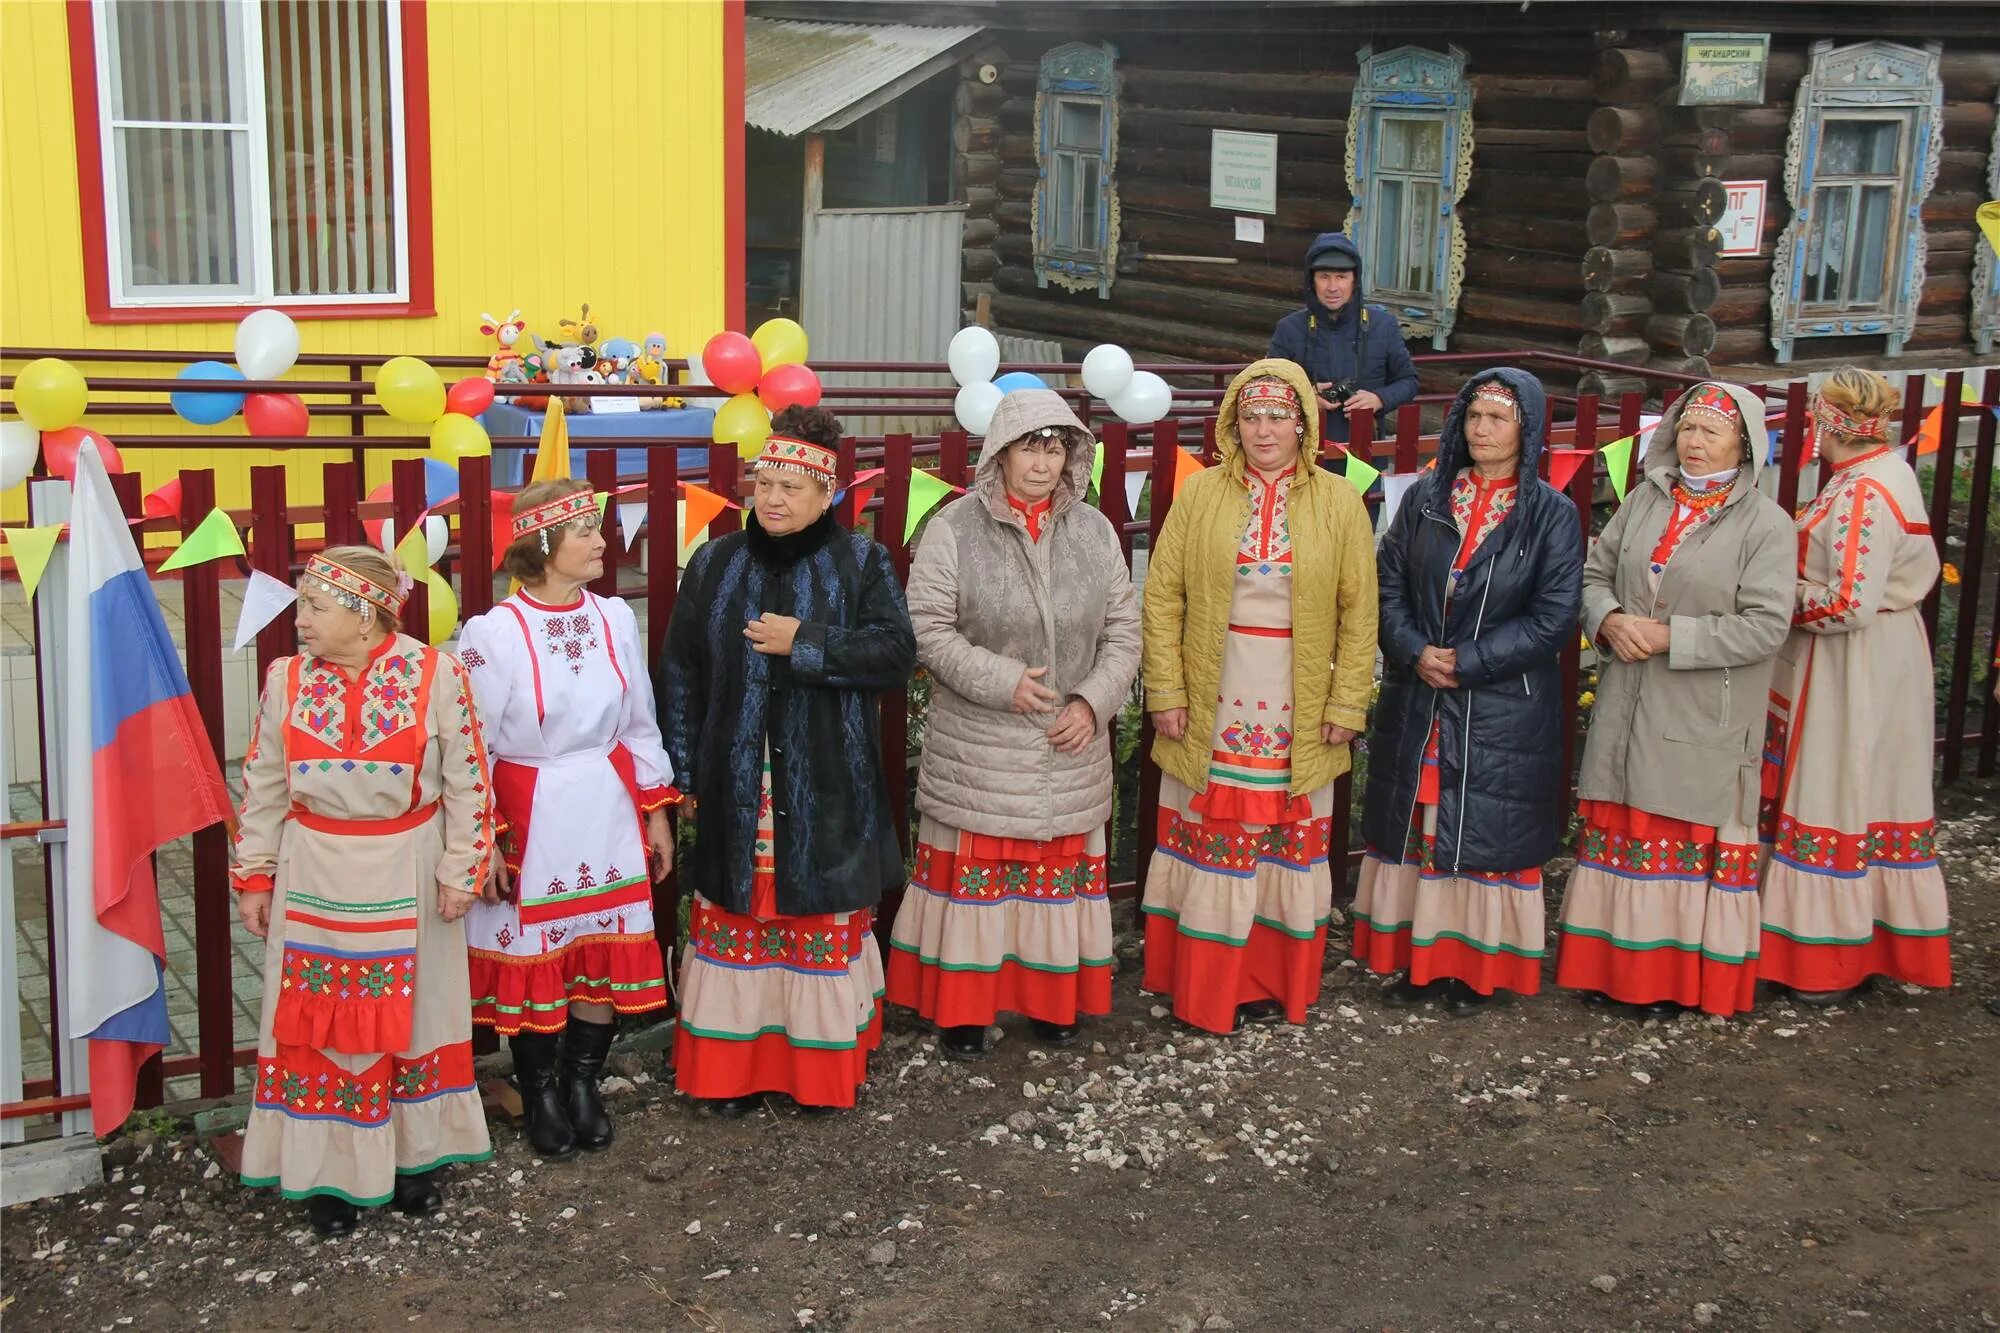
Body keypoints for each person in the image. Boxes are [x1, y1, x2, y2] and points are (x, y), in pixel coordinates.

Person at [658, 405, 917, 1113]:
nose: (772, 498)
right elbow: (679, 672)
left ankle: (817, 1075)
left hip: (830, 782)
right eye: (763, 482)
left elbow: (898, 654)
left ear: (827, 492)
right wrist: (682, 772)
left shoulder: (861, 562)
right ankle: (728, 1076)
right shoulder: (712, 563)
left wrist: (806, 642)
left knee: (815, 916)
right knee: (739, 915)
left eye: (790, 487)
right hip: (731, 780)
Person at [231, 547, 496, 1237]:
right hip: (313, 872)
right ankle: (329, 1173)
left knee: (417, 1016)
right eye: (303, 604)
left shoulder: (438, 673)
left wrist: (461, 868)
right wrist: (256, 873)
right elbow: (263, 785)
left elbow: (470, 782)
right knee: (318, 1021)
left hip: (410, 870)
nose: (302, 620)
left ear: (366, 613)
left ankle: (414, 1161)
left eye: (317, 606)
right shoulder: (286, 679)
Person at [886, 389, 1141, 1059]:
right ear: (999, 453)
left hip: (1070, 738)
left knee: (1053, 879)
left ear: (1071, 457)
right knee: (981, 879)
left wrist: (1091, 702)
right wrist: (1001, 681)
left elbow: (1123, 629)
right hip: (981, 745)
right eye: (1030, 445)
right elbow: (926, 629)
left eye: (1055, 446)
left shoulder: (1094, 531)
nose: (1042, 460)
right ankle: (967, 1010)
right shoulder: (953, 529)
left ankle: (1053, 1003)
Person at [1139, 358, 1378, 1034]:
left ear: (1304, 424)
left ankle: (1271, 980)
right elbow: (1162, 597)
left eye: (1278, 415)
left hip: (1298, 701)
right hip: (1213, 693)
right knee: (1217, 839)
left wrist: (1345, 704)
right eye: (1251, 415)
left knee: (1282, 840)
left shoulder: (1338, 501)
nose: (1264, 428)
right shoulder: (1201, 494)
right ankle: (1206, 986)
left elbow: (1361, 613)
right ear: (1231, 424)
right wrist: (1165, 689)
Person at [1556, 383, 1794, 1017]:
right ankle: (1612, 971)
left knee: (1678, 828)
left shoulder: (1766, 524)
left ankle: (1670, 983)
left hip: (1700, 705)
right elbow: (1594, 574)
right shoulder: (1644, 500)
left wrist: (1671, 637)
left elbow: (1767, 626)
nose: (1694, 441)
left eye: (1710, 432)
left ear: (1743, 444)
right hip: (1629, 692)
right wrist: (1606, 620)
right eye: (1687, 428)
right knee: (1625, 819)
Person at [458, 478, 676, 1159]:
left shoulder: (614, 617)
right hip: (534, 813)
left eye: (598, 525)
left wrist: (656, 811)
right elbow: (471, 742)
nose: (602, 540)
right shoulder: (490, 633)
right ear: (543, 543)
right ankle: (541, 1090)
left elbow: (639, 719)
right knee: (539, 958)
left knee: (600, 955)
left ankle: (584, 1081)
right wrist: (485, 837)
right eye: (584, 529)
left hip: (607, 808)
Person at [1355, 369, 1583, 1016]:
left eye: (1498, 419)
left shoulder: (1550, 515)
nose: (1481, 429)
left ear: (1526, 430)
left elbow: (1555, 614)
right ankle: (1417, 964)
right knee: (1424, 819)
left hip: (1501, 703)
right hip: (1420, 688)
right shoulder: (1427, 497)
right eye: (1474, 416)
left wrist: (1469, 660)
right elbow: (1388, 584)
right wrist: (1413, 649)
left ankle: (1474, 970)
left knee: (1481, 829)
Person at [1760, 368, 1950, 1005]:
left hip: (1854, 665)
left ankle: (1825, 956)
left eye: (1815, 418)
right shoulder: (1871, 475)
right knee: (1866, 789)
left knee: (1835, 789)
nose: (1810, 429)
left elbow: (1848, 604)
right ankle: (1856, 941)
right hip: (1881, 657)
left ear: (1828, 422)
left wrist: (1770, 598)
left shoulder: (1865, 490)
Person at [1266, 232, 1420, 444]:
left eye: (1341, 277)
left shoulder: (1384, 326)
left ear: (1355, 280)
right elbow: (1268, 389)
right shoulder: (1289, 329)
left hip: (1366, 455)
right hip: (1305, 456)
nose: (1332, 287)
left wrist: (1379, 399)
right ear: (1312, 281)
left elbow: (1409, 381)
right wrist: (1305, 398)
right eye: (1324, 277)